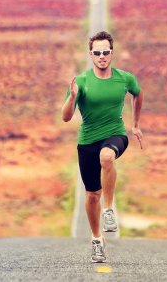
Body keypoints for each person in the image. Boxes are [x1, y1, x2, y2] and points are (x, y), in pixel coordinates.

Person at [62, 30, 144, 263]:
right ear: (91, 54)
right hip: (87, 140)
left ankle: (109, 211)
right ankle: (97, 240)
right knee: (91, 195)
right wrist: (71, 98)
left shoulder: (125, 78)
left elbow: (137, 95)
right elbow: (66, 117)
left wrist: (135, 125)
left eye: (105, 52)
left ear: (111, 53)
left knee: (107, 157)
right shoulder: (81, 82)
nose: (101, 56)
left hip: (115, 134)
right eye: (97, 53)